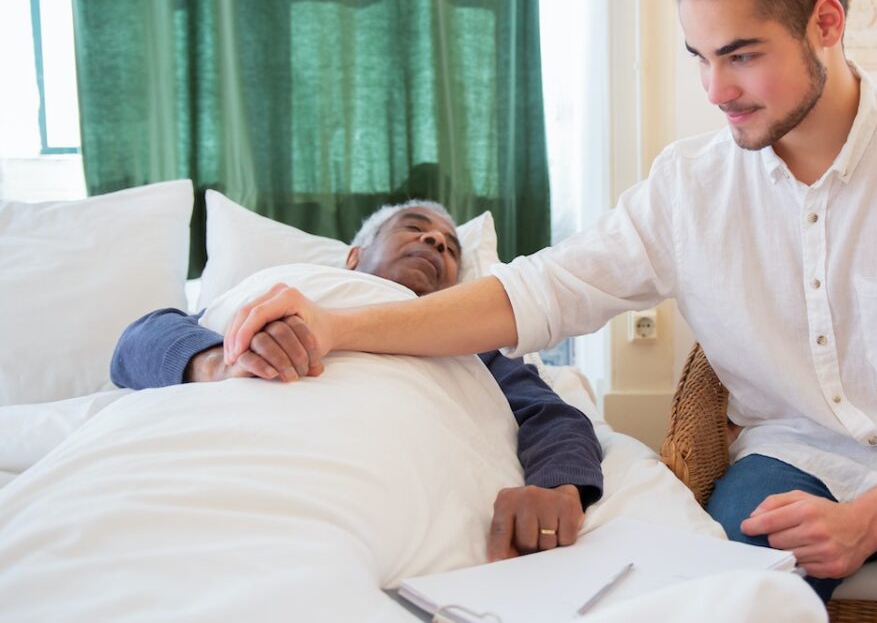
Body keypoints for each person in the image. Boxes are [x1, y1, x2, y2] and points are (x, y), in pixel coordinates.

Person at [216, 0, 877, 619]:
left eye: (742, 55)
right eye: (698, 56)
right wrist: (339, 324)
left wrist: (872, 518)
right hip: (793, 464)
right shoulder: (689, 188)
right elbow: (537, 293)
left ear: (827, 24)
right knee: (715, 611)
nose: (715, 89)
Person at [109, 200, 603, 563]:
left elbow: (551, 414)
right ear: (352, 258)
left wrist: (557, 486)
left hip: (376, 481)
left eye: (450, 247)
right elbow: (136, 343)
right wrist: (217, 361)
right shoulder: (286, 288)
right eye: (415, 229)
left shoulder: (474, 345)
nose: (435, 242)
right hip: (223, 452)